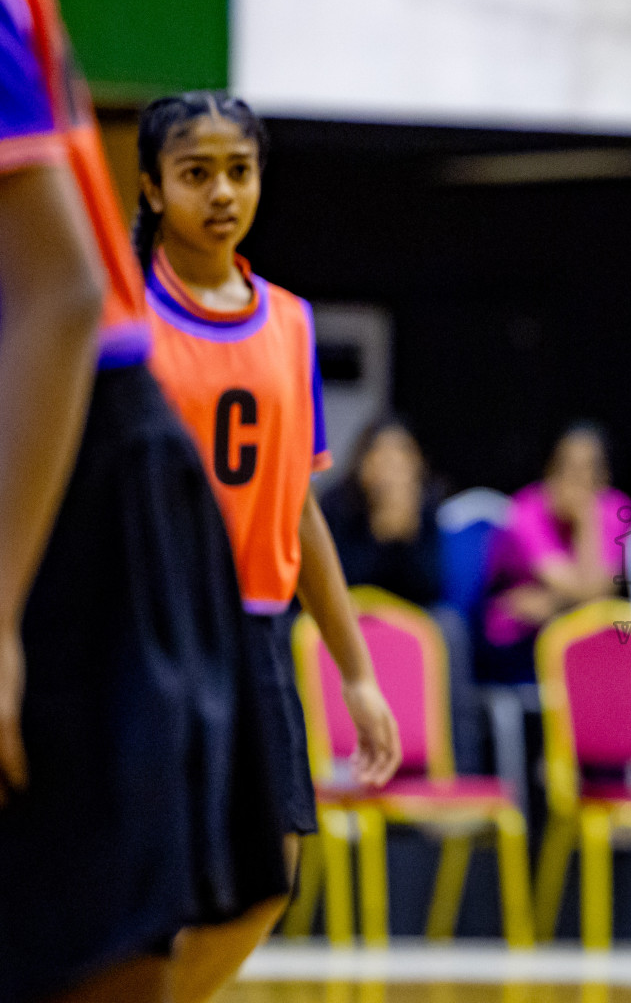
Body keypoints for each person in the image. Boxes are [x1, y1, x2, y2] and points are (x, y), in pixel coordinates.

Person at [0, 0, 287, 1001]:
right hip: (105, 489)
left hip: (78, 484)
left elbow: (63, 291)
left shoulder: (274, 324)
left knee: (179, 903)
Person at [134, 92, 402, 1003]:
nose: (220, 192)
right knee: (140, 877)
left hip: (253, 633)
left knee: (267, 881)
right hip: (143, 625)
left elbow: (299, 507)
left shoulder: (287, 321)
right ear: (150, 186)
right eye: (195, 172)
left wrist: (356, 672)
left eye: (238, 171)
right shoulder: (121, 317)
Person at [478, 422, 631, 685]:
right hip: (520, 638)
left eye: (589, 470)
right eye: (568, 469)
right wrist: (576, 597)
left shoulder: (616, 508)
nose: (578, 480)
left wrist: (587, 519)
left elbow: (596, 595)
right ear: (550, 470)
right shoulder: (526, 509)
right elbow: (582, 589)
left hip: (580, 629)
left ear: (604, 476)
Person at [322, 415, 444, 608]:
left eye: (402, 455)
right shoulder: (336, 503)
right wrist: (377, 536)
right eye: (383, 455)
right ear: (363, 461)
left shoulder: (426, 505)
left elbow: (431, 589)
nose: (392, 466)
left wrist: (406, 537)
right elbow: (331, 581)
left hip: (405, 615)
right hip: (346, 610)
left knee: (450, 624)